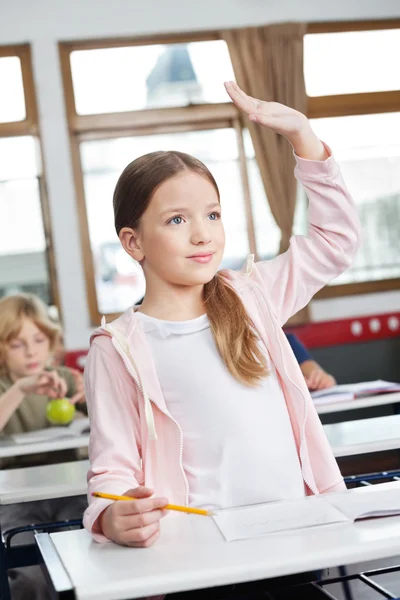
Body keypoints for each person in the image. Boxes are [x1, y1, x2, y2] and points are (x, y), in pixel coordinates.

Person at [83, 81, 361, 599]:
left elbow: (336, 241)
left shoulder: (254, 296)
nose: (203, 234)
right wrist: (111, 514)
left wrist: (303, 136)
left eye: (212, 214)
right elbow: (113, 468)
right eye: (177, 220)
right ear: (133, 241)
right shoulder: (118, 346)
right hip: (204, 566)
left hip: (295, 543)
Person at [0, 294, 88, 600]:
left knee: (80, 562)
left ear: (51, 342)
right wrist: (20, 389)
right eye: (17, 344)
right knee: (31, 577)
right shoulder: (3, 388)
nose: (30, 352)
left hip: (69, 491)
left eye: (38, 340)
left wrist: (90, 392)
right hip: (16, 498)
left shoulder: (66, 379)